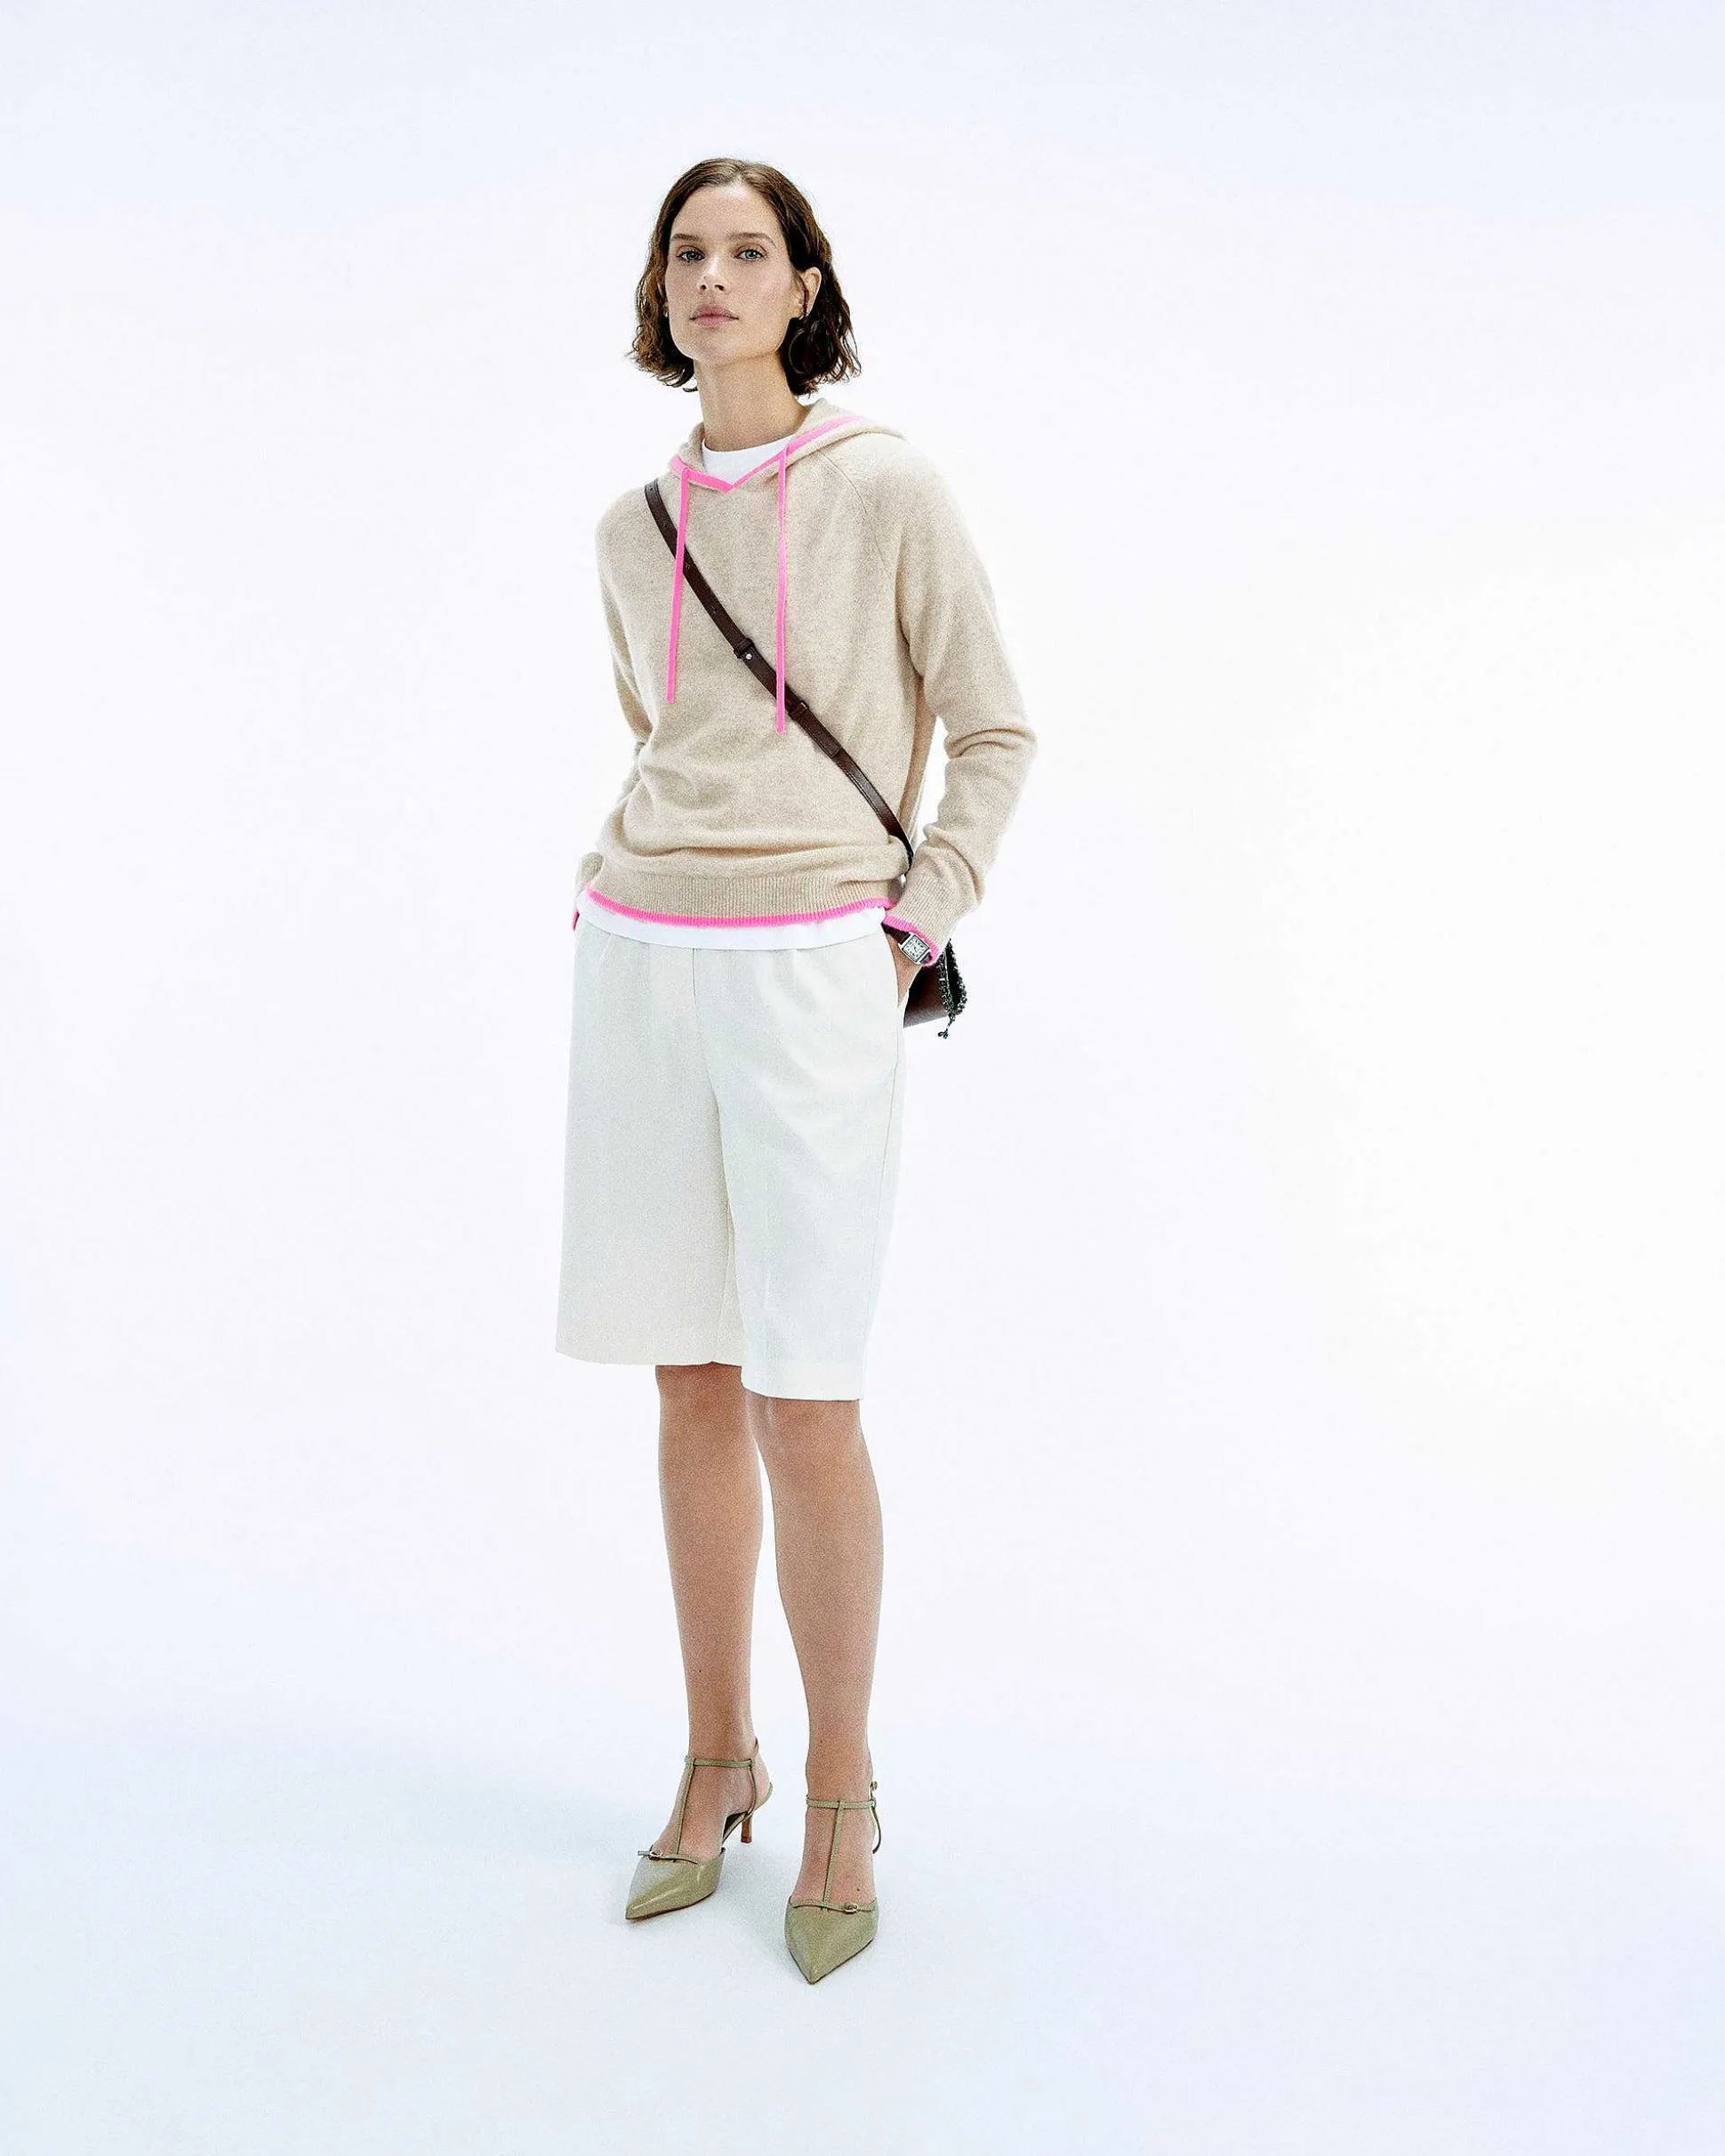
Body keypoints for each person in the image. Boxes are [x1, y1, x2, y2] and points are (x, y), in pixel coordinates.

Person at [555, 156, 1037, 1983]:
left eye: (748, 251)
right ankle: (715, 1754)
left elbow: (993, 729)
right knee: (687, 1385)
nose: (713, 278)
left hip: (814, 967)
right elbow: (665, 736)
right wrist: (614, 886)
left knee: (805, 1394)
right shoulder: (631, 527)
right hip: (640, 958)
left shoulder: (887, 487)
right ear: (659, 289)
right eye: (686, 253)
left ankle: (842, 1782)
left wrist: (919, 912)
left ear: (805, 285)